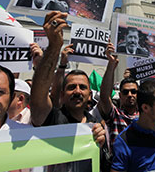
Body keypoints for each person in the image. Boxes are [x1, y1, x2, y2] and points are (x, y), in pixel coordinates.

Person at [30, 11, 106, 172]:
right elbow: (39, 97)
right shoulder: (53, 119)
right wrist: (54, 46)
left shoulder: (96, 124)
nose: (77, 91)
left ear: (90, 95)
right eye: (71, 87)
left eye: (82, 87)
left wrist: (102, 142)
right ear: (62, 94)